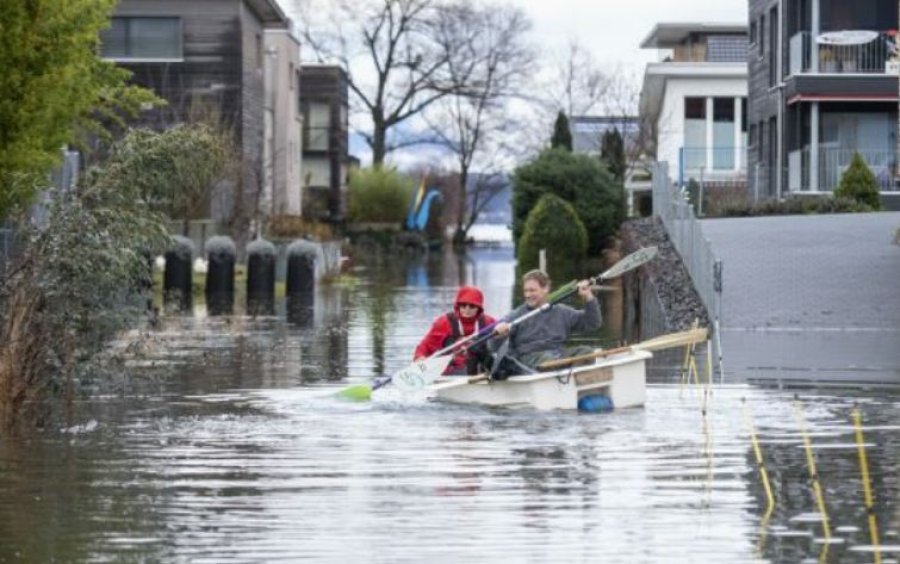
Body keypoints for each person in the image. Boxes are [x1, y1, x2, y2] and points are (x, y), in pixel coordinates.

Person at [492, 269, 600, 374]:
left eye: (532, 290)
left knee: (587, 352)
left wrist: (589, 297)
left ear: (546, 289)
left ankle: (569, 380)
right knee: (548, 359)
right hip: (528, 359)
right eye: (526, 290)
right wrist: (498, 335)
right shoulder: (516, 315)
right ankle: (559, 376)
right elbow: (494, 347)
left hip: (558, 355)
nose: (527, 295)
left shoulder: (562, 311)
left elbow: (592, 323)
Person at [414, 285, 496, 376]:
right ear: (458, 306)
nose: (467, 309)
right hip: (451, 375)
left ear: (479, 308)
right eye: (463, 305)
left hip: (481, 373)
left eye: (472, 306)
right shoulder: (444, 323)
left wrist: (503, 329)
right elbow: (425, 345)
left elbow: (503, 333)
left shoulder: (488, 322)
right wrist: (419, 357)